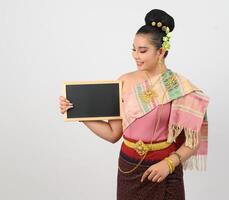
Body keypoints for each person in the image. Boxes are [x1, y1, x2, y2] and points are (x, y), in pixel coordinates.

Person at [59, 9, 209, 200]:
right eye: (133, 49)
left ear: (161, 51)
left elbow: (192, 141)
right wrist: (78, 112)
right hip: (129, 168)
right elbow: (113, 134)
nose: (135, 56)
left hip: (164, 169)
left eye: (143, 50)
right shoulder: (123, 82)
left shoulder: (179, 87)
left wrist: (169, 164)